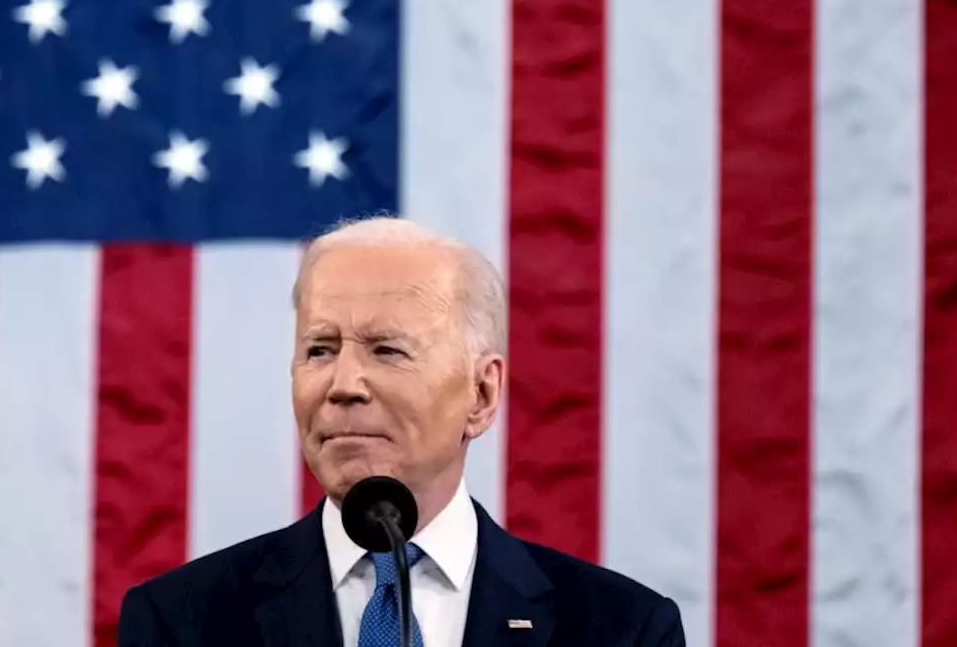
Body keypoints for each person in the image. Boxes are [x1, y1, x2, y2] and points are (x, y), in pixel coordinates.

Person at [118, 216, 686, 647]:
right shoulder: (179, 621)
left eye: (386, 350)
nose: (342, 385)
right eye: (319, 349)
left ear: (481, 394)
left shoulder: (623, 629)